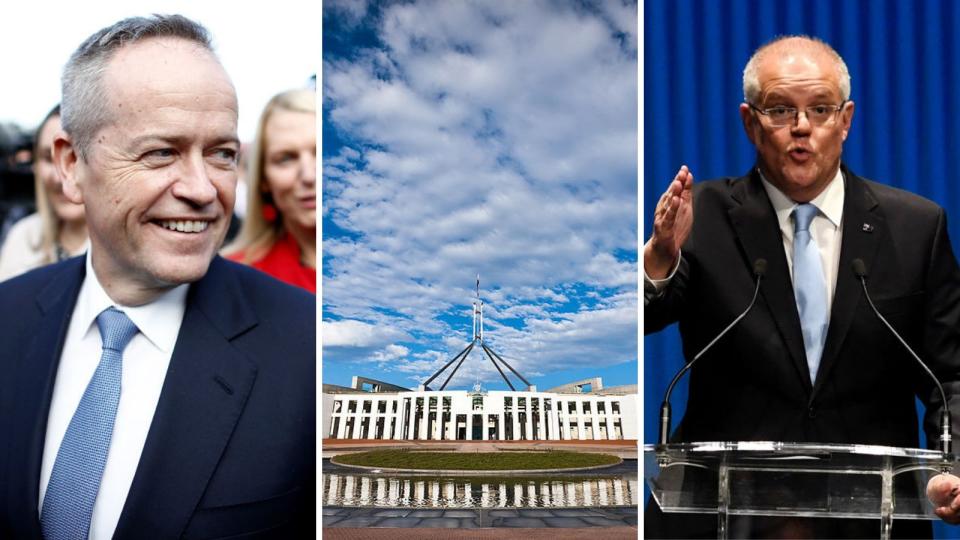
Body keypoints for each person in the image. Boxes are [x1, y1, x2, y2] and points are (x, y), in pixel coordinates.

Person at [0, 15, 315, 539]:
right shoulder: (6, 318)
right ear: (72, 165)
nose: (202, 188)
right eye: (161, 152)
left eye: (221, 154)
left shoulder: (302, 345)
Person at [645, 35, 960, 538]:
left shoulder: (917, 227)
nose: (802, 128)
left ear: (846, 119)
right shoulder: (700, 216)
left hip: (870, 520)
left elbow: (950, 374)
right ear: (750, 122)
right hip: (721, 515)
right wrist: (660, 259)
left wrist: (957, 468)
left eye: (820, 109)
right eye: (779, 111)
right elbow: (642, 319)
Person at [225, 88, 316, 293]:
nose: (309, 175)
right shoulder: (235, 280)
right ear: (264, 179)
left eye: (319, 153)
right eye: (286, 158)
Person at [0, 106, 88, 281]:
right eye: (49, 158)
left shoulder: (124, 253)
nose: (59, 177)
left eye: (74, 157)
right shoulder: (23, 237)